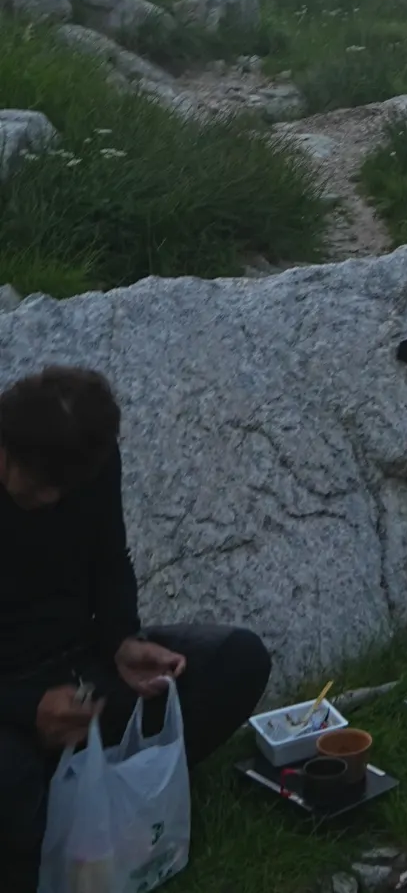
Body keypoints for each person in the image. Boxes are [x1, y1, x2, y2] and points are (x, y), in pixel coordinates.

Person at [0, 366, 270, 893]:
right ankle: (63, 806)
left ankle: (87, 793)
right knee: (12, 783)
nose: (51, 498)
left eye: (62, 488)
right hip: (8, 699)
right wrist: (27, 706)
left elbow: (110, 563)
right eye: (36, 485)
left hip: (82, 669)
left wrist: (123, 641)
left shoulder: (88, 464)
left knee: (238, 660)